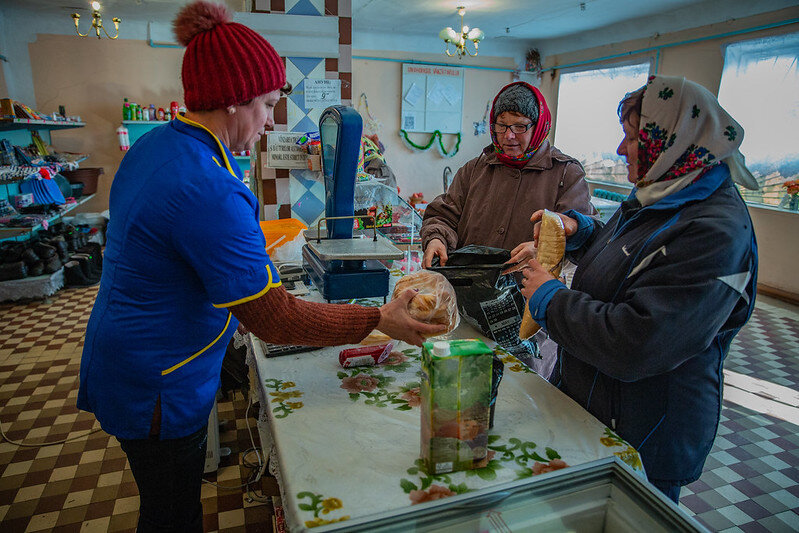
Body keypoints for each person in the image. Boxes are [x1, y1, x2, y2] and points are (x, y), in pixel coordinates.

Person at [77, 2, 443, 531]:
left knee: (165, 503)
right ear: (233, 100)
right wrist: (376, 319)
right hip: (157, 380)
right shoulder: (205, 186)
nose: (270, 120)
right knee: (170, 514)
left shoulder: (159, 145)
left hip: (128, 354)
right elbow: (273, 319)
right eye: (268, 104)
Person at [519, 75, 759, 502]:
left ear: (671, 142)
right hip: (596, 408)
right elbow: (628, 253)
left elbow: (637, 343)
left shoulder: (715, 233)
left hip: (644, 434)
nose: (619, 149)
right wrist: (579, 230)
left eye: (630, 138)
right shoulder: (660, 193)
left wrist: (548, 297)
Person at [421, 81, 596, 269]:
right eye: (501, 125)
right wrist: (436, 238)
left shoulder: (565, 174)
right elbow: (443, 215)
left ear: (538, 127)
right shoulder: (475, 169)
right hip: (469, 286)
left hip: (530, 291)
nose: (508, 135)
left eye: (520, 126)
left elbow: (585, 236)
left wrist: (544, 251)